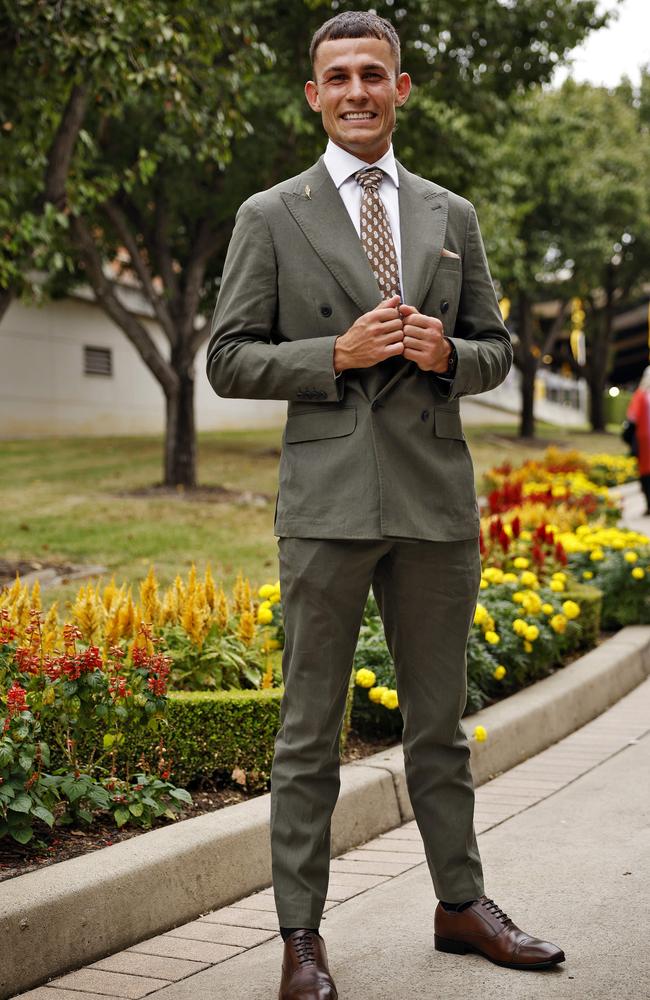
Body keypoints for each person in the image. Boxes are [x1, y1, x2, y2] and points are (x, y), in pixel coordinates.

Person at [207, 11, 565, 999]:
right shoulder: (268, 215)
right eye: (339, 76)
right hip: (325, 504)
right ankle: (300, 935)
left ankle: (460, 903)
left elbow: (493, 343)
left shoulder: (450, 215)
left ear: (400, 89)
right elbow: (227, 358)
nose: (358, 89)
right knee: (306, 731)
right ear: (312, 95)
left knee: (439, 724)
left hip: (434, 501)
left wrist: (447, 353)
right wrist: (338, 353)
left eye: (374, 73)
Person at [626, 366, 650, 515]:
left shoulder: (641, 396)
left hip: (645, 440)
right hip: (645, 440)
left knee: (646, 473)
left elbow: (632, 418)